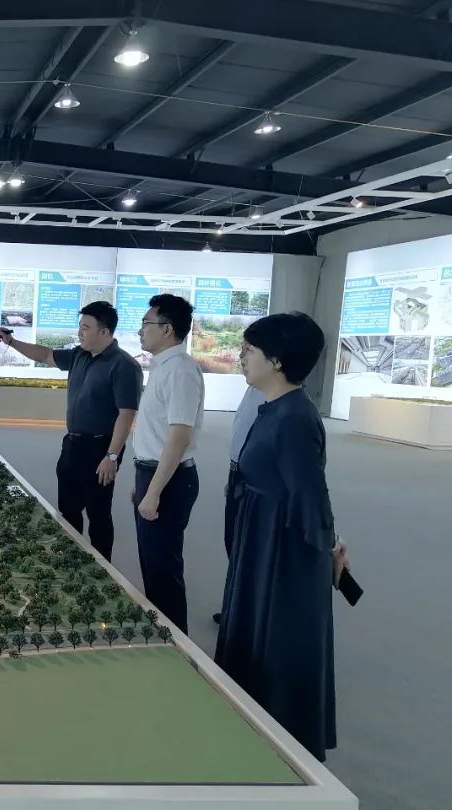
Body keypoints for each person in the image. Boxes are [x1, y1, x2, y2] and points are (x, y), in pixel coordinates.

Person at [215, 312, 345, 763]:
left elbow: (310, 492)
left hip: (283, 548)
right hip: (262, 536)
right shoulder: (274, 406)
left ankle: (283, 737)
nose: (241, 357)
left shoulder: (294, 417)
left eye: (249, 351)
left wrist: (329, 546)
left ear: (276, 360)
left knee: (279, 635)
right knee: (255, 630)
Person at [0, 301, 142, 560]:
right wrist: (11, 342)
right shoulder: (79, 355)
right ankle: (71, 559)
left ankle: (102, 567)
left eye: (86, 328)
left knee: (98, 513)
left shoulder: (124, 365)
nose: (79, 332)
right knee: (68, 509)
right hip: (73, 444)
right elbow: (44, 355)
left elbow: (126, 414)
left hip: (101, 448)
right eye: (80, 326)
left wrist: (111, 456)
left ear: (104, 332)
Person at [130, 294, 204, 633]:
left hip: (170, 481)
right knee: (153, 564)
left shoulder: (181, 371)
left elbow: (178, 437)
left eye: (146, 323)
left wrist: (154, 491)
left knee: (163, 569)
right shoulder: (164, 367)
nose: (140, 331)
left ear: (168, 329)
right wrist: (143, 480)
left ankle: (175, 641)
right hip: (155, 474)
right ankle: (161, 635)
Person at [213, 383, 265, 625]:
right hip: (238, 473)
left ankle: (248, 616)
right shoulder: (253, 389)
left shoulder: (276, 398)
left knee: (248, 548)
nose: (243, 364)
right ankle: (237, 610)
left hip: (252, 478)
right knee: (233, 543)